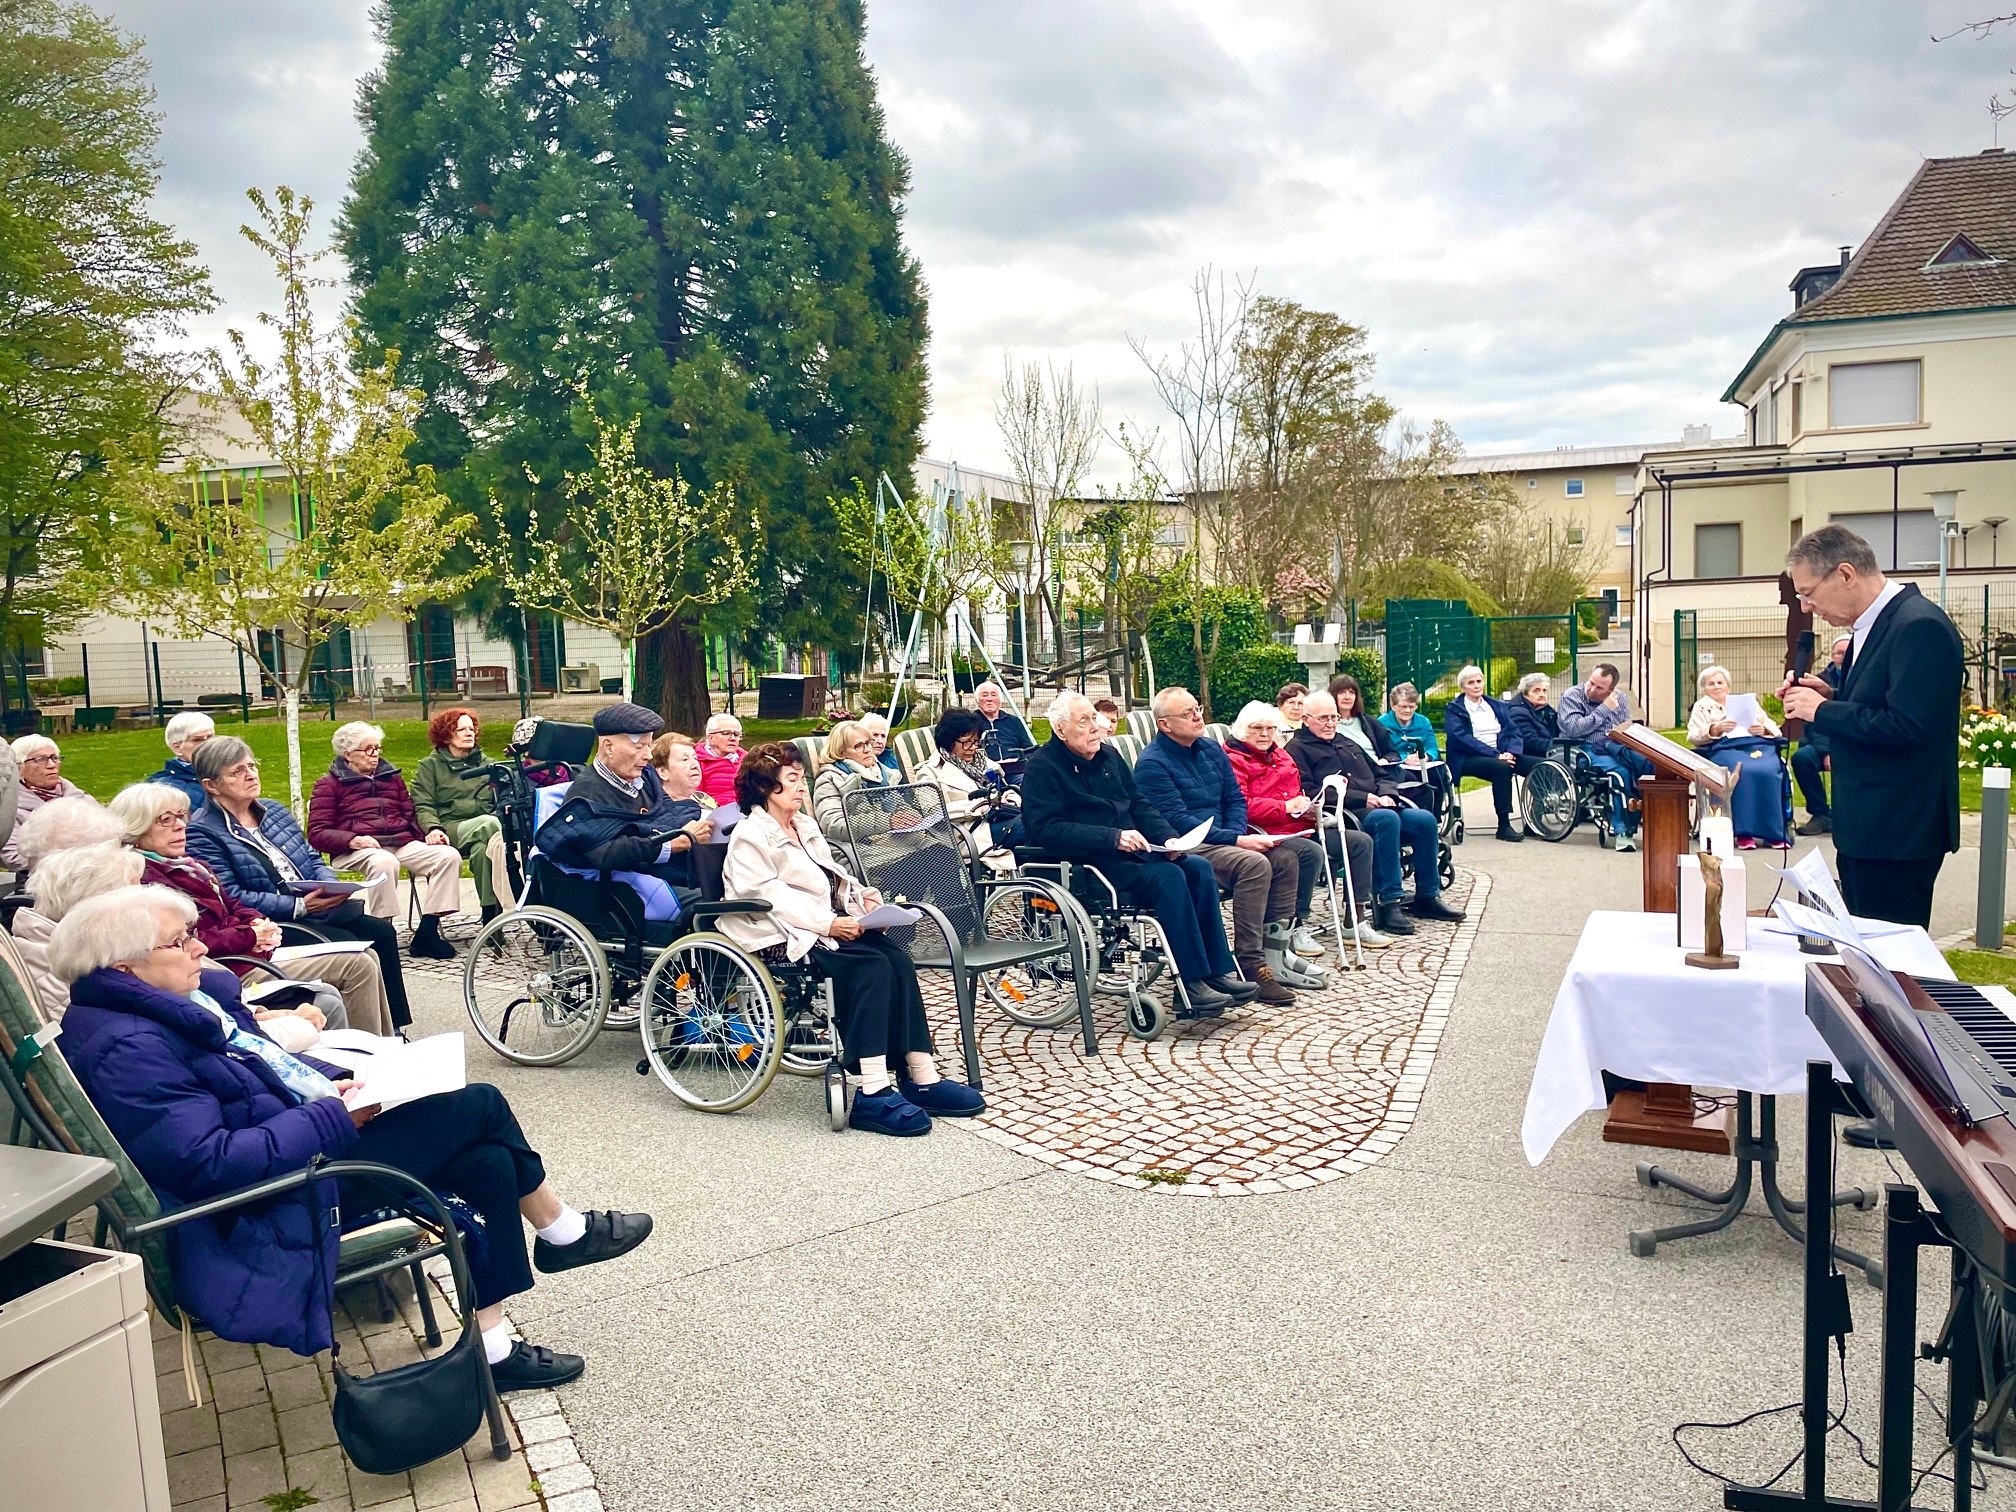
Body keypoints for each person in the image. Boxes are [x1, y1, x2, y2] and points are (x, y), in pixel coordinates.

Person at [51, 884, 653, 1381]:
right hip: (275, 1206)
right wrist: (331, 1117)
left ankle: (495, 1348)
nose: (200, 947)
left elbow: (261, 1072)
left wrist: (344, 1082)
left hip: (298, 1160)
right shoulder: (130, 1046)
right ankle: (561, 1230)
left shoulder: (164, 1007)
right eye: (180, 941)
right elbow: (211, 1163)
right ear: (124, 965)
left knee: (489, 1164)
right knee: (479, 1107)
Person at [716, 743, 984, 1136]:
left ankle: (920, 1075)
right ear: (764, 788)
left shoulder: (803, 826)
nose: (801, 788)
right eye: (791, 780)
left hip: (818, 923)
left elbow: (830, 879)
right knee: (870, 967)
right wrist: (829, 923)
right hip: (774, 931)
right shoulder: (751, 836)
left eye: (800, 779)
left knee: (897, 959)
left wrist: (863, 900)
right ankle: (873, 1090)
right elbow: (770, 896)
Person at [1021, 692, 1258, 1018]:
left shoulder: (1109, 756)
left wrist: (1170, 839)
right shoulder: (1043, 768)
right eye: (1084, 721)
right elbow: (1044, 828)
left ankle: (1217, 971)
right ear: (1061, 731)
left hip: (1131, 854)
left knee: (1198, 868)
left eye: (1094, 718)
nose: (1095, 726)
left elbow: (1139, 805)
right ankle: (1190, 983)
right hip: (1089, 863)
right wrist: (1113, 837)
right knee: (1169, 877)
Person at [1780, 523, 1963, 928]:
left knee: (1892, 968)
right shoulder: (1873, 624)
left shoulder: (1918, 626)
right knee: (1868, 960)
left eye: (1808, 593)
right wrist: (1830, 696)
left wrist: (1822, 712)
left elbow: (1909, 726)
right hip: (1869, 827)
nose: (1806, 607)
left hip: (1898, 831)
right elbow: (1879, 704)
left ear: (1845, 574)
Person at [109, 782, 393, 1038]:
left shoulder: (190, 864)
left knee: (367, 951)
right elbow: (192, 940)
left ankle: (382, 1045)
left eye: (181, 817)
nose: (180, 826)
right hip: (225, 967)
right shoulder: (148, 879)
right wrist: (249, 936)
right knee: (358, 963)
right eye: (165, 821)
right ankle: (370, 1056)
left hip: (248, 955)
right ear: (136, 830)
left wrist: (259, 923)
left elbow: (234, 904)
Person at [186, 737, 417, 1031]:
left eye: (251, 766)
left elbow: (311, 857)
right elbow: (232, 894)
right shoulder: (203, 832)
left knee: (381, 932)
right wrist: (297, 905)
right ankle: (362, 1034)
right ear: (211, 785)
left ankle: (393, 1028)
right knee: (347, 944)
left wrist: (333, 887)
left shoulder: (274, 811)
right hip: (278, 921)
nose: (250, 775)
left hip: (318, 906)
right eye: (236, 772)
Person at [1134, 687, 1307, 1005]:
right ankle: (1250, 962)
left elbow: (1234, 798)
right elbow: (1177, 820)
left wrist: (1238, 833)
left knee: (1289, 856)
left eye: (1196, 708)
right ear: (1165, 725)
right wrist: (1237, 840)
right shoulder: (1152, 765)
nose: (1198, 715)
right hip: (1190, 845)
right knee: (1254, 864)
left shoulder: (1211, 749)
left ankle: (1276, 953)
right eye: (1187, 713)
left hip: (1226, 836)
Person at [1290, 691, 1464, 938]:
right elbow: (1310, 792)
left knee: (1424, 820)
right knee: (1387, 820)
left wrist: (1388, 795)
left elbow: (1383, 773)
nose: (1330, 723)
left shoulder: (1345, 741)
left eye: (1334, 717)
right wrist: (1364, 798)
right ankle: (1389, 901)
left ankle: (1428, 895)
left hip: (1381, 804)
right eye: (1323, 719)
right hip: (1347, 814)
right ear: (1306, 719)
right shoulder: (1298, 750)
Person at [1223, 700, 1384, 958]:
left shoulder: (1281, 755)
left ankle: (1355, 919)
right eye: (1257, 728)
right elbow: (1241, 805)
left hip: (1298, 824)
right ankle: (1296, 924)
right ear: (1243, 730)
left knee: (1359, 842)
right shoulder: (1234, 760)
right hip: (1263, 831)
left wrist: (1311, 807)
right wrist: (1285, 806)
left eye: (1270, 728)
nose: (1265, 734)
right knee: (1310, 852)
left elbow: (1296, 792)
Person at [307, 723, 465, 958]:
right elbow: (317, 832)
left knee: (448, 856)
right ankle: (384, 932)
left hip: (400, 842)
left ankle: (428, 931)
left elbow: (410, 814)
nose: (376, 754)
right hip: (356, 849)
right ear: (347, 754)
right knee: (384, 862)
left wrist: (429, 831)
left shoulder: (391, 778)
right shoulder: (329, 785)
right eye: (368, 749)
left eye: (377, 748)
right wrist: (353, 840)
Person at [533, 703, 711, 897]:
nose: (649, 755)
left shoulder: (644, 778)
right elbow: (606, 852)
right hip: (624, 888)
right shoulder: (588, 791)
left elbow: (665, 814)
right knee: (714, 905)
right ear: (609, 747)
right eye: (639, 746)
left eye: (649, 745)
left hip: (663, 873)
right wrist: (671, 844)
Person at [411, 707, 511, 924]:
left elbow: (504, 799)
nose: (469, 733)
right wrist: (433, 828)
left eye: (472, 728)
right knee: (491, 824)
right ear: (446, 735)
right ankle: (515, 904)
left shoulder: (489, 764)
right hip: (449, 829)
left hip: (484, 832)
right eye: (461, 729)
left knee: (483, 851)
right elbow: (423, 804)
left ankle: (491, 920)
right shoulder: (430, 766)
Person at [1687, 665, 1787, 850]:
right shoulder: (1702, 707)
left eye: (1720, 682)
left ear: (1728, 686)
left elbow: (1774, 727)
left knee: (1768, 771)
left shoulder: (1747, 703)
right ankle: (1743, 833)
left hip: (1757, 745)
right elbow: (1693, 736)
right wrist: (1715, 729)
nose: (1717, 687)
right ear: (1704, 689)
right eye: (1711, 684)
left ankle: (1774, 833)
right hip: (1724, 748)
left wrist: (1762, 729)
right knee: (1742, 772)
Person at [1557, 663, 1650, 853]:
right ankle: (1621, 831)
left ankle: (1639, 822)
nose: (1592, 689)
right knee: (1620, 773)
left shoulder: (1621, 699)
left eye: (1600, 687)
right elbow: (1574, 729)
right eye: (1591, 683)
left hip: (1614, 746)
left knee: (1642, 769)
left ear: (1611, 689)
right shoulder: (1572, 696)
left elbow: (1624, 725)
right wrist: (1604, 710)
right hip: (1583, 748)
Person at [912, 708, 1022, 858]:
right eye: (966, 743)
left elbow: (1007, 788)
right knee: (1032, 829)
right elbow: (933, 813)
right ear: (948, 741)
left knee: (1041, 822)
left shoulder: (984, 762)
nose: (973, 748)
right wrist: (979, 806)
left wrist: (1011, 800)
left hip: (1001, 819)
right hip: (968, 835)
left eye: (976, 742)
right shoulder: (928, 773)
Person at [1441, 666, 1531, 841]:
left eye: (1479, 681)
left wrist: (1511, 752)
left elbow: (1514, 731)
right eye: (1471, 683)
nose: (1476, 686)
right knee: (1502, 768)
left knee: (1539, 765)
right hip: (1467, 758)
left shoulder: (1496, 705)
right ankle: (1504, 825)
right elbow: (1460, 738)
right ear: (1463, 687)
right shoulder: (1454, 709)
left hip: (1503, 755)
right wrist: (1495, 755)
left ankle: (1537, 820)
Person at [1790, 635, 1853, 836]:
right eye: (1839, 653)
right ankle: (1821, 814)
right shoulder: (1820, 680)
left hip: (1853, 741)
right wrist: (1827, 751)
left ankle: (1848, 816)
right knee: (1801, 758)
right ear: (1832, 656)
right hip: (1822, 742)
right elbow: (1813, 721)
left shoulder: (1860, 679)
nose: (1842, 657)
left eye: (1847, 653)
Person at [810, 720, 912, 843]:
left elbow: (900, 806)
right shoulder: (830, 779)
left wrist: (910, 816)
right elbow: (833, 825)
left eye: (868, 743)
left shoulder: (882, 773)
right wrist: (888, 821)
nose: (868, 750)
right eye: (858, 746)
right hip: (864, 850)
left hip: (898, 841)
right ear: (841, 752)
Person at [5, 734, 83, 869]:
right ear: (19, 768)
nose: (52, 765)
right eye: (41, 760)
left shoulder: (81, 799)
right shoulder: (10, 809)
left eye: (54, 758)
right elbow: (15, 858)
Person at [150, 712, 216, 814]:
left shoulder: (232, 772)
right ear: (177, 748)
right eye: (197, 740)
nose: (208, 745)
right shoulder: (163, 788)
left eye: (210, 737)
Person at [650, 732, 718, 811]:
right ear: (663, 772)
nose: (695, 765)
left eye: (695, 758)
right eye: (685, 759)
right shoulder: (656, 809)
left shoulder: (705, 799)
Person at [972, 681, 1034, 762]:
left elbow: (1028, 748)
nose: (989, 699)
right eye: (985, 695)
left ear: (1000, 701)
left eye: (994, 695)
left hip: (1015, 768)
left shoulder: (1013, 721)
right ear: (977, 701)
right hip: (983, 769)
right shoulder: (970, 722)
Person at [1504, 673, 1560, 757]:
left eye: (1544, 690)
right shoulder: (1518, 712)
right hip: (1529, 756)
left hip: (1549, 752)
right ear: (1525, 694)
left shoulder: (1547, 710)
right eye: (1536, 691)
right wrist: (1560, 746)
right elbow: (1530, 741)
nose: (1542, 694)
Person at [696, 713, 744, 806]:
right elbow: (695, 796)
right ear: (711, 738)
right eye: (726, 733)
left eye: (737, 734)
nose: (733, 738)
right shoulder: (696, 760)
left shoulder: (748, 760)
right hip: (713, 813)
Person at [858, 712, 903, 778]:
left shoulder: (897, 762)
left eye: (883, 736)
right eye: (875, 735)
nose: (880, 741)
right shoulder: (854, 763)